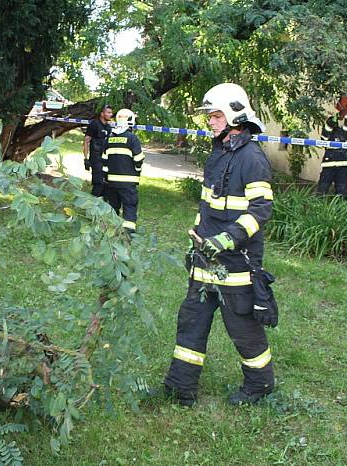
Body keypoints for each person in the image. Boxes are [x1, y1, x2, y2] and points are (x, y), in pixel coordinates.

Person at [160, 83, 277, 407]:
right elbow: (208, 204)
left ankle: (260, 386)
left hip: (237, 263)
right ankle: (179, 387)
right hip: (204, 259)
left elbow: (261, 210)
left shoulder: (252, 159)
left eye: (215, 115)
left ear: (235, 115)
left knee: (243, 329)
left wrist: (226, 240)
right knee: (191, 322)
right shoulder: (217, 154)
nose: (209, 122)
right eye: (209, 116)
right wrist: (198, 239)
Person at [102, 108, 144, 233]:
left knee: (113, 207)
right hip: (128, 182)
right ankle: (128, 234)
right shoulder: (132, 138)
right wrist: (137, 171)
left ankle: (111, 232)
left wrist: (106, 178)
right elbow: (139, 159)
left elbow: (104, 160)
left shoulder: (109, 138)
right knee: (129, 207)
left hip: (112, 182)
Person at [317, 96, 347, 195]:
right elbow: (323, 138)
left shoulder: (344, 132)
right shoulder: (327, 133)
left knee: (342, 192)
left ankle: (340, 209)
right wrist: (332, 120)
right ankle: (318, 207)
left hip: (343, 166)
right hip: (329, 165)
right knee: (322, 191)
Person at [83, 105, 113, 196]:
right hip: (95, 157)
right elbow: (86, 141)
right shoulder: (94, 124)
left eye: (111, 113)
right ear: (102, 114)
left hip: (105, 157)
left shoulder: (108, 127)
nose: (110, 114)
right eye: (108, 112)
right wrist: (86, 158)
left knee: (107, 181)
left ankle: (103, 202)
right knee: (98, 182)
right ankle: (93, 202)